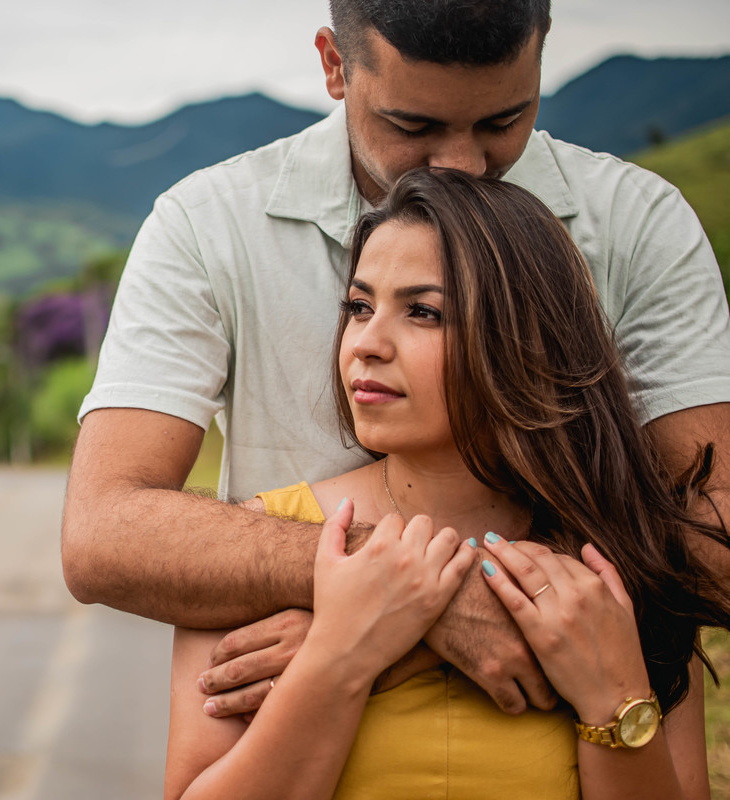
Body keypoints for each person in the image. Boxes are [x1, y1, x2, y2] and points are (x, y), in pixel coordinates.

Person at [62, 0, 730, 717]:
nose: (464, 164)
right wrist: (423, 594)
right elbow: (104, 532)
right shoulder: (207, 224)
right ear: (334, 65)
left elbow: (719, 551)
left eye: (505, 120)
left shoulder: (638, 224)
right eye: (414, 126)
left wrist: (400, 617)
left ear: (541, 51)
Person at [164, 168, 729, 799]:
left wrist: (615, 703)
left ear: (525, 341)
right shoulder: (256, 550)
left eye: (423, 312)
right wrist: (341, 658)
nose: (367, 344)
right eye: (358, 306)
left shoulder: (620, 568)